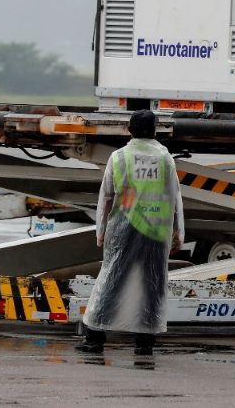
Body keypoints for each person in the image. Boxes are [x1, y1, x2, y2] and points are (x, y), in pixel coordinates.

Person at [75, 109, 184, 356]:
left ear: (129, 130)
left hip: (123, 229)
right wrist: (179, 233)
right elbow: (175, 197)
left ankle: (94, 339)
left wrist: (100, 231)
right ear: (155, 130)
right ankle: (144, 344)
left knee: (111, 281)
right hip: (156, 231)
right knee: (152, 285)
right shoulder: (166, 159)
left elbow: (106, 197)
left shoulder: (119, 157)